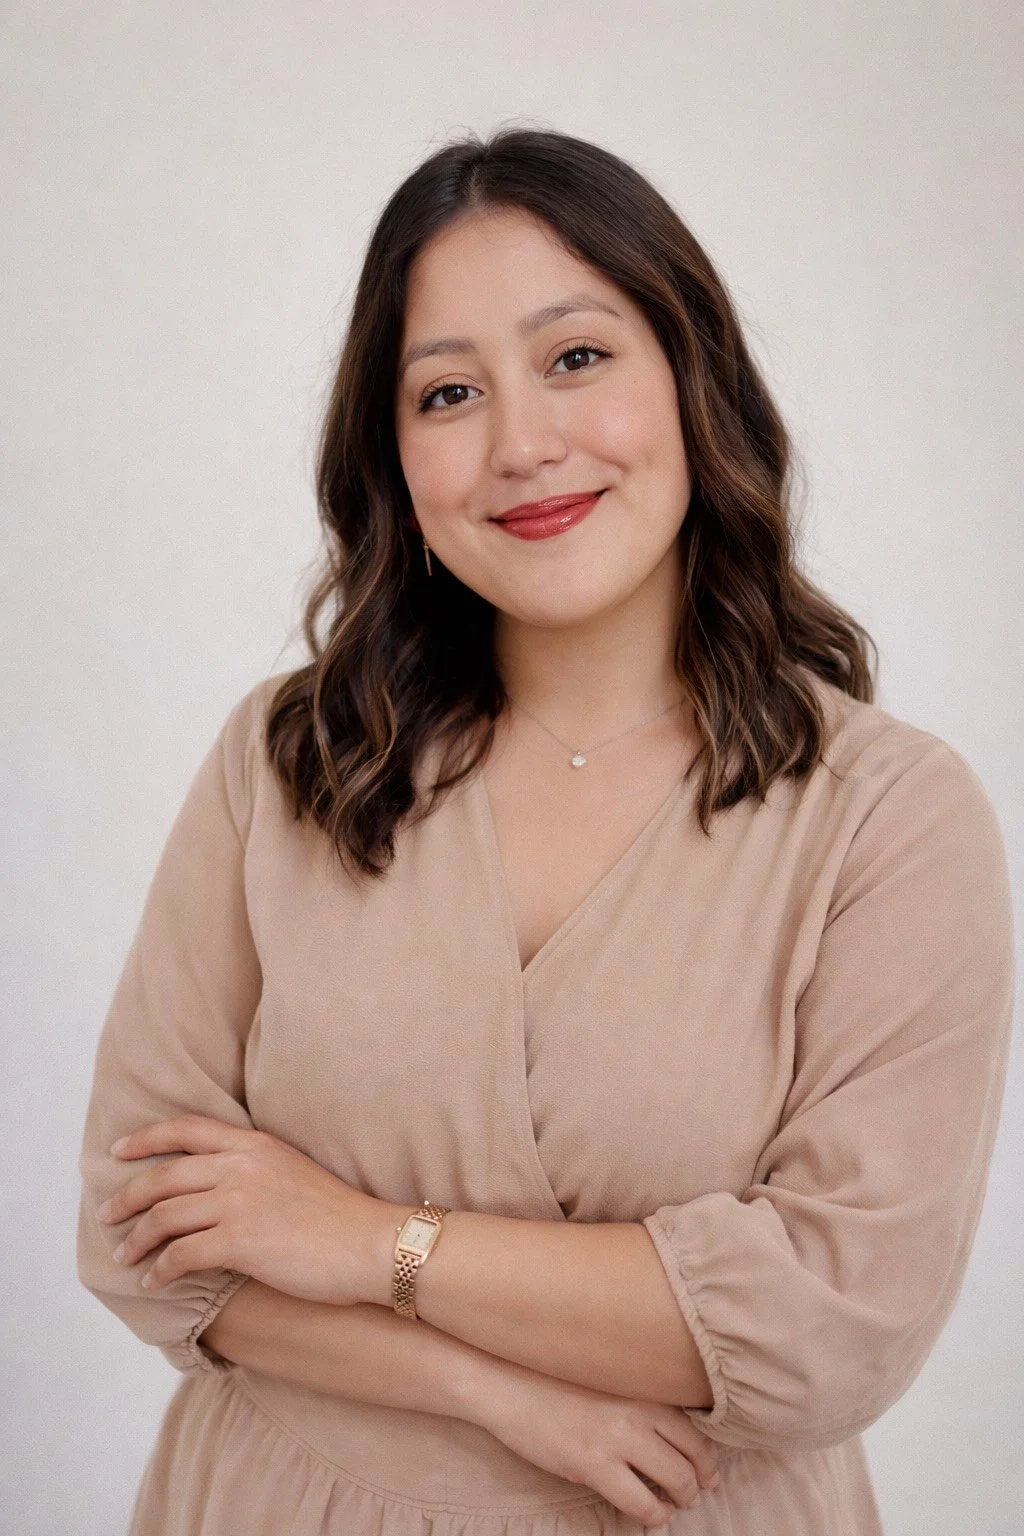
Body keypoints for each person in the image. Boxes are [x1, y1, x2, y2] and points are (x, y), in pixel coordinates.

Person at [76, 126, 1015, 1535]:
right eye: (448, 391)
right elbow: (139, 1237)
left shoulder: (887, 815)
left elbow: (833, 1327)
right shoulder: (291, 760)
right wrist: (504, 1393)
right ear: (393, 458)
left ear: (695, 381)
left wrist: (350, 1241)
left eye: (576, 357)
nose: (522, 443)